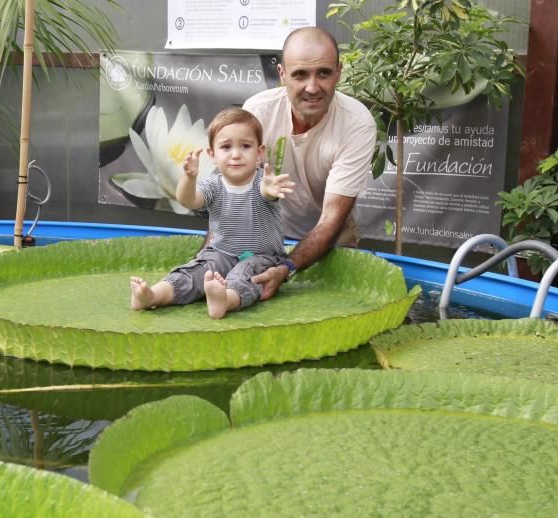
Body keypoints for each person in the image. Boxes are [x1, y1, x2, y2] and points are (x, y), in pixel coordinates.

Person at [243, 26, 377, 301]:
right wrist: (205, 260)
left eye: (324, 73)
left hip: (333, 239)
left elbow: (331, 218)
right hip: (271, 232)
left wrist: (287, 267)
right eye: (300, 74)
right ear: (282, 75)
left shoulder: (357, 123)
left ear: (338, 72)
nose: (312, 87)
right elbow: (232, 193)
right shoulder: (257, 112)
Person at [129, 107, 295, 319]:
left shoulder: (263, 181)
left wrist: (270, 190)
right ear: (212, 154)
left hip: (263, 257)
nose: (236, 154)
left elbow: (267, 193)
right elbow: (187, 200)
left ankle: (226, 299)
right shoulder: (213, 184)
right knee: (197, 270)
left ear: (259, 152)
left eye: (245, 146)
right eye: (226, 147)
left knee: (247, 275)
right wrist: (189, 178)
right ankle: (153, 296)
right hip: (221, 253)